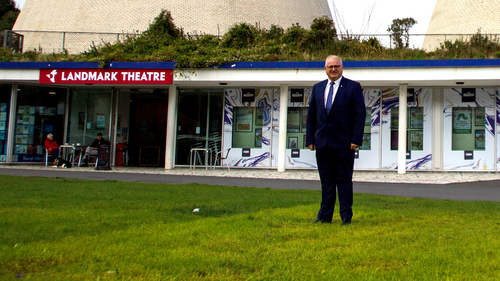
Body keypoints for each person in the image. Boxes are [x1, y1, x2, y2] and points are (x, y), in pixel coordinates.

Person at [306, 55, 366, 225]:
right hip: (322, 143)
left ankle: (346, 216)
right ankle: (325, 216)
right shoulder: (317, 88)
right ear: (325, 69)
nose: (333, 69)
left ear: (342, 67)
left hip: (344, 143)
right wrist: (310, 139)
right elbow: (311, 116)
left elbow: (360, 115)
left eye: (336, 66)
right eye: (330, 66)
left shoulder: (353, 87)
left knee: (344, 180)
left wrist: (356, 139)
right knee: (326, 181)